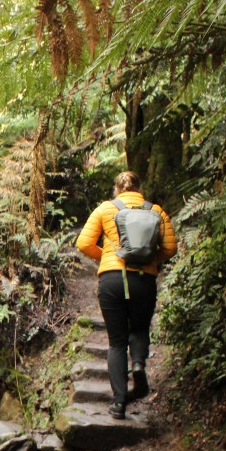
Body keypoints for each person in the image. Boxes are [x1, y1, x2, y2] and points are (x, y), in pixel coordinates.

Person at [76, 170, 177, 419]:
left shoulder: (105, 209)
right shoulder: (156, 211)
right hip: (144, 280)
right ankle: (139, 364)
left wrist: (109, 258)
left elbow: (83, 244)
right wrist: (151, 261)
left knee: (117, 342)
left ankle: (119, 403)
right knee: (140, 328)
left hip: (112, 280)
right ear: (138, 188)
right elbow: (171, 248)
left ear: (117, 189)